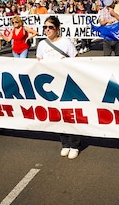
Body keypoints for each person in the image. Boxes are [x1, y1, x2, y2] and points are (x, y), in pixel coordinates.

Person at [35, 16, 80, 159]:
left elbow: (76, 59)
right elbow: (39, 62)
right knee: (57, 114)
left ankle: (74, 144)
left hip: (66, 83)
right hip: (50, 85)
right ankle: (65, 143)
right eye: (45, 27)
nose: (47, 30)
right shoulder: (42, 44)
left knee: (69, 114)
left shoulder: (66, 42)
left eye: (50, 27)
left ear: (57, 29)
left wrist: (66, 63)